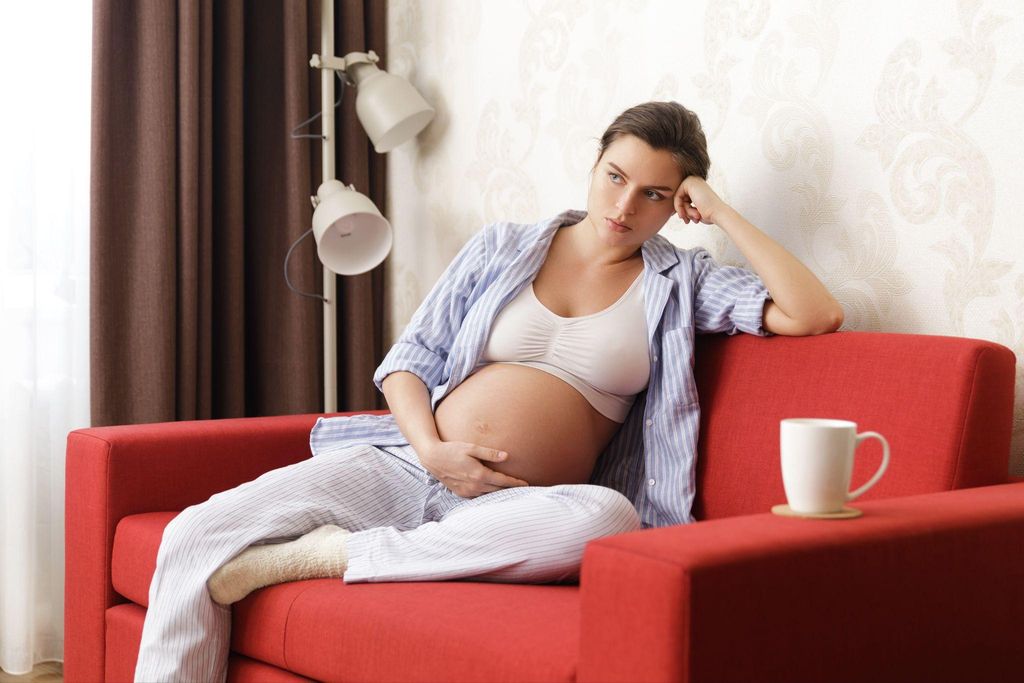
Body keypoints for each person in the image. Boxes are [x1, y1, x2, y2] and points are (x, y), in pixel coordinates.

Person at [133, 101, 843, 682]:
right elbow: (408, 361)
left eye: (655, 193)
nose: (625, 205)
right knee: (195, 532)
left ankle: (336, 554)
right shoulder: (504, 246)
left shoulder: (681, 282)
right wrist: (433, 449)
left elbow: (814, 313)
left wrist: (721, 212)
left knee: (609, 518)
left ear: (677, 203)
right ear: (594, 164)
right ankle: (364, 538)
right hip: (405, 464)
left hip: (517, 508)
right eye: (615, 176)